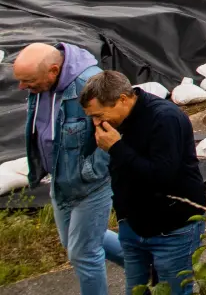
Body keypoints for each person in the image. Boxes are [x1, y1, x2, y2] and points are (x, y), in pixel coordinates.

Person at [81, 71, 205, 295]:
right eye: (91, 116)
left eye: (99, 115)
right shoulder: (112, 122)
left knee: (173, 292)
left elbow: (162, 177)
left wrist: (117, 148)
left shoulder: (164, 118)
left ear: (122, 99)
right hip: (132, 226)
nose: (96, 123)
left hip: (172, 228)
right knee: (137, 291)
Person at [15, 42, 123, 295]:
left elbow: (117, 131)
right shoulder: (43, 84)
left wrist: (90, 171)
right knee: (71, 242)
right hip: (60, 179)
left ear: (53, 70)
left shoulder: (89, 85)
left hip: (90, 184)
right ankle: (145, 263)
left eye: (27, 80)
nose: (22, 87)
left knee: (84, 253)